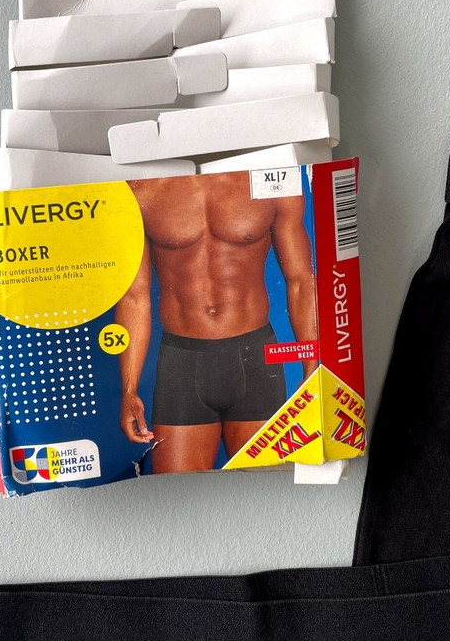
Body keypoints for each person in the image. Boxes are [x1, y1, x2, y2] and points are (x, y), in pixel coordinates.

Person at [116, 171, 318, 473]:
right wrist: (129, 390)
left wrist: (312, 369)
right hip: (182, 365)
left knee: (266, 490)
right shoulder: (138, 189)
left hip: (255, 361)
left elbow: (301, 281)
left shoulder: (272, 179)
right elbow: (134, 297)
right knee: (178, 495)